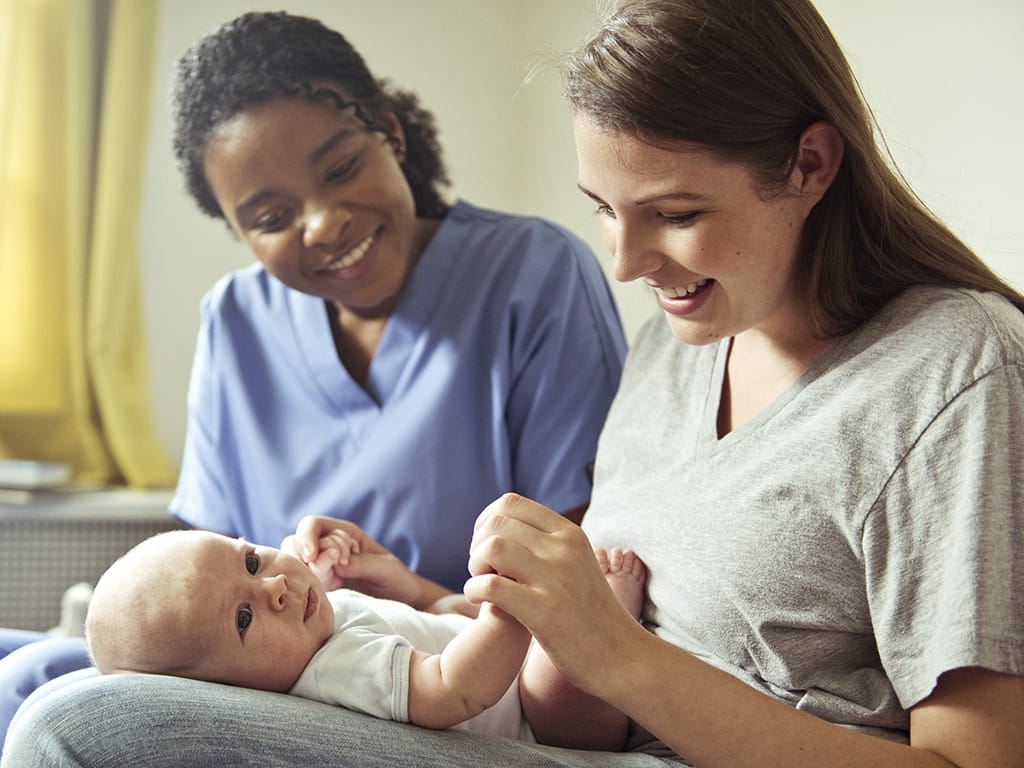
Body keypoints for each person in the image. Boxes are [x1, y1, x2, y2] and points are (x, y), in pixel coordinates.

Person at [6, 0, 1023, 766]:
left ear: (808, 165)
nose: (623, 264)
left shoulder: (947, 372)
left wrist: (613, 655)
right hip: (557, 738)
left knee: (73, 726)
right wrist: (443, 602)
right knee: (37, 671)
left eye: (670, 213)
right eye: (602, 208)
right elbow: (572, 695)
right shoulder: (677, 349)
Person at [0, 8, 626, 759]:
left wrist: (405, 596)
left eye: (339, 169)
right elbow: (196, 584)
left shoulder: (534, 276)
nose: (324, 223)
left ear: (390, 134)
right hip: (273, 674)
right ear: (238, 231)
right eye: (271, 216)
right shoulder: (235, 319)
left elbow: (567, 579)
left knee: (50, 704)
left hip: (428, 684)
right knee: (23, 666)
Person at [83, 526, 646, 750]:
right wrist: (510, 613)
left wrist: (381, 582)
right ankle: (610, 617)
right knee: (555, 659)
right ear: (230, 694)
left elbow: (433, 627)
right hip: (547, 725)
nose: (277, 586)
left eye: (251, 561)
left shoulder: (312, 631)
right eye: (243, 620)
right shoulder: (335, 672)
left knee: (457, 610)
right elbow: (454, 688)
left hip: (480, 653)